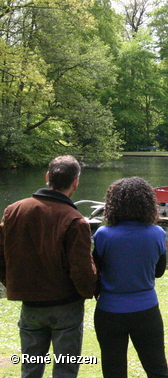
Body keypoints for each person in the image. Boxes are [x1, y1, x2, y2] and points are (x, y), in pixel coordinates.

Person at [0, 155, 97, 378]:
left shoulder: (14, 210)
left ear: (47, 177)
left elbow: (1, 256)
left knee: (31, 369)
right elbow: (82, 270)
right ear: (76, 182)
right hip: (66, 306)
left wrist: (13, 284)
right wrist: (89, 291)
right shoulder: (75, 219)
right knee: (65, 369)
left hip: (30, 304)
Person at [93, 177, 168, 378]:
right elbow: (159, 271)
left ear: (113, 204)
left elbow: (95, 272)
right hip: (146, 311)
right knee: (158, 370)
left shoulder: (103, 234)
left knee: (113, 371)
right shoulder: (157, 233)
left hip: (109, 311)